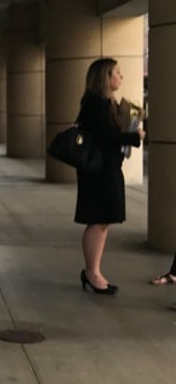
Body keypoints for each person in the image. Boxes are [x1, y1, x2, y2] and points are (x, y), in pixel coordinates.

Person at [75, 57, 144, 295]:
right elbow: (104, 137)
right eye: (116, 72)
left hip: (106, 168)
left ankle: (93, 271)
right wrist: (134, 137)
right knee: (98, 219)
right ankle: (92, 273)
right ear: (105, 76)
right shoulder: (96, 103)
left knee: (103, 220)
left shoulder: (106, 102)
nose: (120, 76)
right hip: (99, 170)